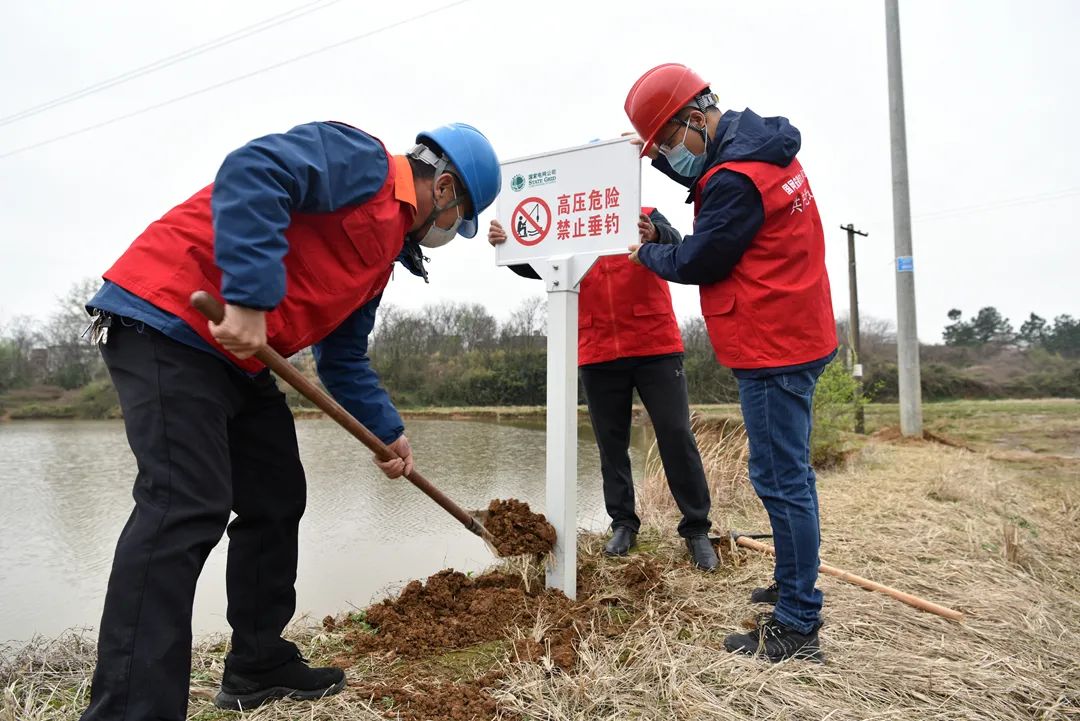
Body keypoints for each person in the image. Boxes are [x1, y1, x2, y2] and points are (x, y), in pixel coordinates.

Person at [77, 120, 501, 718]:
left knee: (276, 496)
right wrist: (250, 298)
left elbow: (344, 357)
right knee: (185, 504)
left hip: (238, 357)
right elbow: (254, 171)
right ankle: (130, 709)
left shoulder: (380, 264)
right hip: (168, 319)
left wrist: (389, 432)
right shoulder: (363, 162)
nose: (449, 236)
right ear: (447, 189)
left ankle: (257, 665)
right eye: (461, 222)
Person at [624, 63, 838, 662]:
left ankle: (797, 623)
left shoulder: (732, 178)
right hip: (801, 330)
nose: (670, 157)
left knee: (780, 478)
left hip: (774, 346)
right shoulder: (762, 149)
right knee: (788, 473)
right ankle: (791, 583)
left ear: (694, 120)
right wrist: (656, 203)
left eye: (667, 143)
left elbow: (701, 260)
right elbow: (720, 227)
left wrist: (647, 252)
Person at [488, 208, 717, 571]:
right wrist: (510, 245)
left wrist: (654, 232)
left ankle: (697, 529)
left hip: (654, 344)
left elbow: (676, 243)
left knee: (676, 434)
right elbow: (539, 264)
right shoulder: (570, 221)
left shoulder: (641, 212)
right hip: (597, 348)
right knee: (611, 445)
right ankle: (624, 523)